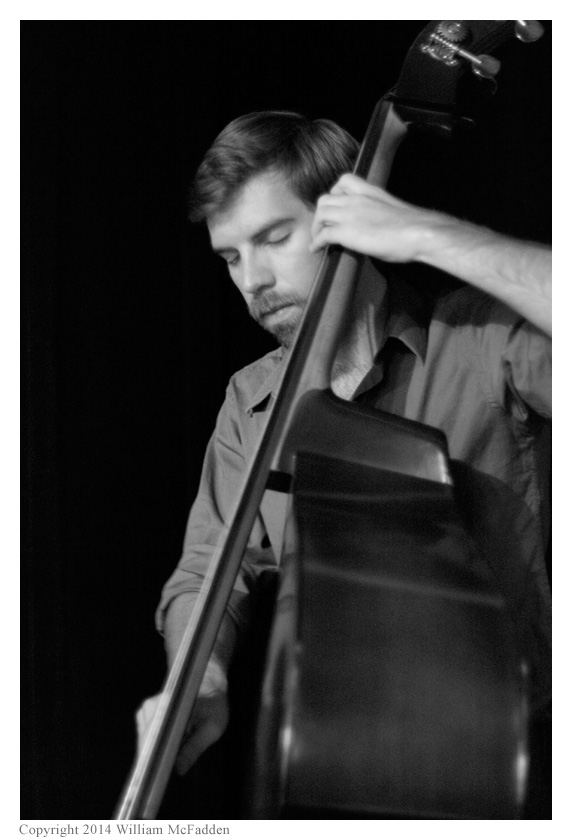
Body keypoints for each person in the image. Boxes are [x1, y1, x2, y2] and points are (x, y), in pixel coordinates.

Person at [137, 111, 551, 809]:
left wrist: (427, 234)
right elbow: (210, 570)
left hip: (518, 752)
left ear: (347, 218)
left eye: (274, 238)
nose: (252, 280)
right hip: (332, 765)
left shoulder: (481, 339)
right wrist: (200, 674)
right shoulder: (250, 400)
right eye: (230, 257)